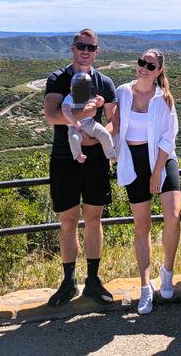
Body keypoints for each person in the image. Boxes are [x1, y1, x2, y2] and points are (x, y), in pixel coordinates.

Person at [43, 29, 117, 307]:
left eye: (91, 47)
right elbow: (51, 115)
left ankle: (94, 281)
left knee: (95, 219)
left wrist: (94, 135)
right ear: (73, 48)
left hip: (96, 160)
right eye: (81, 46)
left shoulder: (104, 82)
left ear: (97, 51)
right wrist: (83, 116)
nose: (85, 50)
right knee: (68, 221)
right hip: (65, 158)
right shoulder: (58, 79)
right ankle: (68, 281)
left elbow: (114, 122)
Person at [112, 49, 181, 315]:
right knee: (141, 226)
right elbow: (114, 125)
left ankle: (167, 271)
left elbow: (168, 136)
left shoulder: (164, 99)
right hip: (134, 160)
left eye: (150, 65)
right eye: (141, 62)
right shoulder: (122, 92)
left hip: (161, 159)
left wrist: (156, 172)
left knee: (173, 217)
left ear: (159, 70)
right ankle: (145, 287)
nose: (143, 67)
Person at [62, 71, 117, 163]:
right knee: (74, 138)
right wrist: (74, 121)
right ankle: (78, 155)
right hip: (74, 126)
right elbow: (65, 110)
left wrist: (101, 102)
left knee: (105, 134)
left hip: (90, 123)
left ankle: (111, 155)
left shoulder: (86, 96)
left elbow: (95, 103)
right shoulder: (69, 99)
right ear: (71, 88)